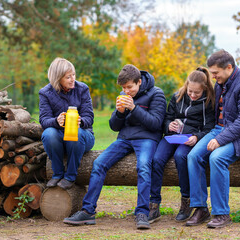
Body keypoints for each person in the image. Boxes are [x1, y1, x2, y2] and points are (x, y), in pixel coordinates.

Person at [64, 64, 166, 229]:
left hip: (147, 138)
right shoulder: (123, 95)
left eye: (129, 87)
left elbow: (156, 124)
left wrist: (134, 108)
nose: (126, 91)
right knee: (99, 163)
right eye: (123, 88)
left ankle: (142, 212)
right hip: (125, 139)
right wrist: (119, 112)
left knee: (144, 166)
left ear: (139, 82)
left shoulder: (157, 94)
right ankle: (88, 211)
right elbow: (114, 126)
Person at [185, 50, 240, 228]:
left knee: (217, 157)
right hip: (221, 129)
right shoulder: (221, 83)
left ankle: (221, 213)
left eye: (215, 73)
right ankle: (200, 208)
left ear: (229, 67)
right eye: (212, 73)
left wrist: (220, 140)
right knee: (193, 156)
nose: (213, 77)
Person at [148, 67, 215, 224]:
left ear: (204, 89)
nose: (192, 95)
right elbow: (166, 118)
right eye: (190, 91)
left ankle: (186, 200)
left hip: (189, 139)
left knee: (180, 156)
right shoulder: (177, 97)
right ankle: (154, 203)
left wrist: (197, 137)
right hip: (172, 137)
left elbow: (209, 128)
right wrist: (168, 125)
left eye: (196, 93)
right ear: (186, 85)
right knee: (156, 159)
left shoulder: (208, 102)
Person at [39, 57, 95, 190]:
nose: (73, 79)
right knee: (48, 133)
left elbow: (89, 117)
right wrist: (56, 121)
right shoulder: (45, 93)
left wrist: (81, 121)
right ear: (58, 78)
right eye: (68, 77)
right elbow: (44, 120)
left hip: (83, 135)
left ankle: (70, 176)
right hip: (59, 135)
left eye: (73, 75)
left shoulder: (82, 89)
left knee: (77, 133)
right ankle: (57, 174)